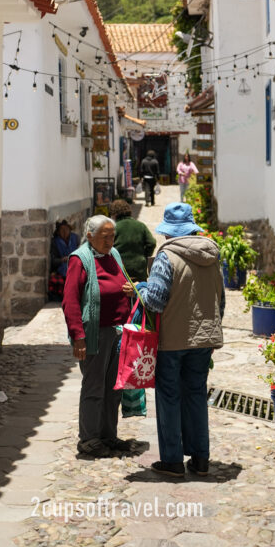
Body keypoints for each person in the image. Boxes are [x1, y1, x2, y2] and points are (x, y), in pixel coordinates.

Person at [137, 202, 224, 478]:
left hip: (172, 341)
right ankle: (200, 459)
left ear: (168, 233)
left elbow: (155, 301)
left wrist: (140, 288)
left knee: (170, 397)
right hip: (204, 340)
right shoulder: (211, 256)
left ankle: (173, 460)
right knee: (197, 396)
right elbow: (220, 301)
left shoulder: (166, 257)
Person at [62, 215, 135, 458]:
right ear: (90, 236)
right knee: (94, 386)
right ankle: (89, 439)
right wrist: (78, 336)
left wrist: (130, 289)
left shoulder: (114, 255)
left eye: (112, 236)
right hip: (96, 333)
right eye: (105, 237)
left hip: (118, 331)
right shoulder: (79, 260)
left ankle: (107, 435)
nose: (110, 241)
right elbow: (70, 300)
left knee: (113, 387)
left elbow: (120, 281)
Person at [111, 200, 157, 282]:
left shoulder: (114, 228)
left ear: (114, 214)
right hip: (139, 269)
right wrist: (144, 256)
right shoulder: (140, 226)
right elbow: (152, 243)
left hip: (119, 269)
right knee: (140, 292)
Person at [48, 220, 79, 301]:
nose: (64, 232)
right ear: (58, 232)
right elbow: (53, 261)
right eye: (62, 230)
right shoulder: (55, 242)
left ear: (69, 230)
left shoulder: (75, 238)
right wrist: (62, 260)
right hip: (62, 268)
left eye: (66, 229)